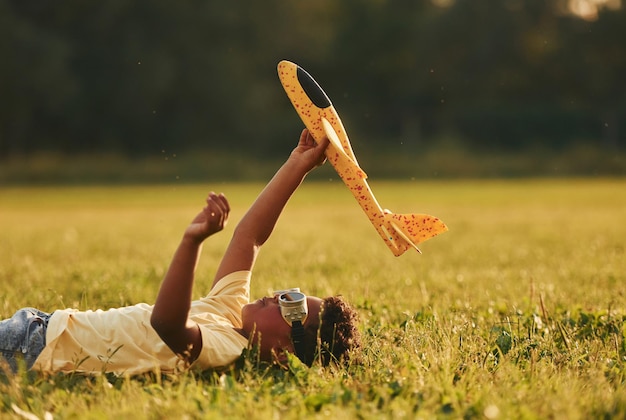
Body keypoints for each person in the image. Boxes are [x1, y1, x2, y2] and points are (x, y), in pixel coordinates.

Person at [0, 129, 361, 376]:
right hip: (41, 324)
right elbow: (249, 237)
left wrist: (192, 243)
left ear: (284, 351)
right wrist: (298, 163)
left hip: (34, 352)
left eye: (292, 306)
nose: (279, 295)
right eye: (291, 293)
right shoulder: (230, 311)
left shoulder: (226, 348)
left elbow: (168, 324)